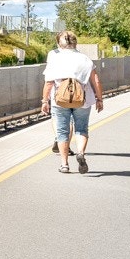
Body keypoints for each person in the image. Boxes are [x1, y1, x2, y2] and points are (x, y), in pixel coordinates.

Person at [41, 31, 104, 174]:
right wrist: (99, 99)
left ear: (59, 44)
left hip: (60, 100)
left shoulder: (55, 59)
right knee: (81, 129)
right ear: (75, 43)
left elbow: (49, 83)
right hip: (82, 100)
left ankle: (64, 165)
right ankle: (80, 152)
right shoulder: (85, 59)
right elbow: (96, 80)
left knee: (62, 132)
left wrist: (45, 101)